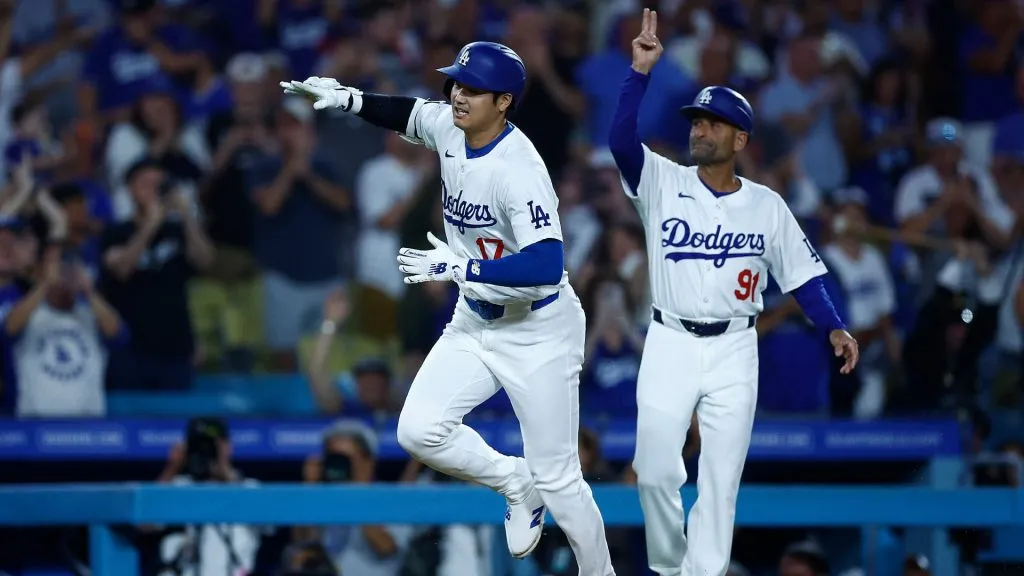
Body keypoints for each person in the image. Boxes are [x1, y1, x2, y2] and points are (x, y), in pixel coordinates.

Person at [282, 40, 614, 574]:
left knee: (560, 478)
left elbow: (548, 265)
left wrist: (462, 269)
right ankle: (513, 481)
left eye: (474, 89)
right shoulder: (450, 126)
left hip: (539, 328)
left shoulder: (519, 168)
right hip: (475, 320)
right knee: (417, 430)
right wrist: (346, 99)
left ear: (504, 101)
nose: (459, 95)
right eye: (457, 82)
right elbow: (409, 113)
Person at [607, 9, 859, 576]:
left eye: (712, 124)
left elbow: (804, 275)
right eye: (696, 122)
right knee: (652, 470)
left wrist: (835, 325)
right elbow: (621, 139)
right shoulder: (662, 180)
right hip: (669, 339)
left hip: (734, 349)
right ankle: (670, 565)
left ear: (740, 137)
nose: (699, 129)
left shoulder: (766, 204)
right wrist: (639, 73)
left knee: (720, 481)